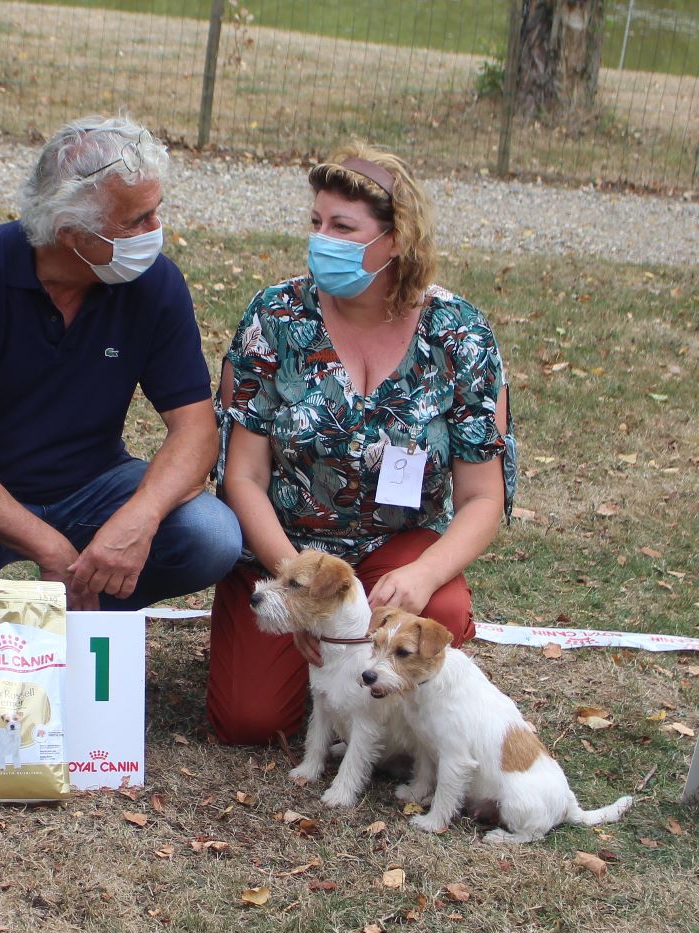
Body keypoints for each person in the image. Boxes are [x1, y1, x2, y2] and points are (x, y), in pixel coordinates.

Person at [208, 141, 516, 744]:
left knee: (442, 614)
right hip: (286, 550)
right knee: (250, 722)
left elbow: (484, 497)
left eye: (343, 227)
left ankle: (389, 715)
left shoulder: (461, 333)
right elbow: (241, 475)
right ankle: (299, 657)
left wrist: (426, 574)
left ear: (396, 239)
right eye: (316, 222)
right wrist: (295, 589)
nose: (322, 238)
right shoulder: (275, 317)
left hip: (394, 547)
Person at [0, 114, 241, 610]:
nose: (156, 230)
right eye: (137, 219)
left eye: (155, 210)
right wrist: (50, 548)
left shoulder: (155, 285)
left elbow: (196, 432)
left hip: (92, 486)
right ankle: (15, 642)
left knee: (212, 535)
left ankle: (88, 620)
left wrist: (137, 520)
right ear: (72, 232)